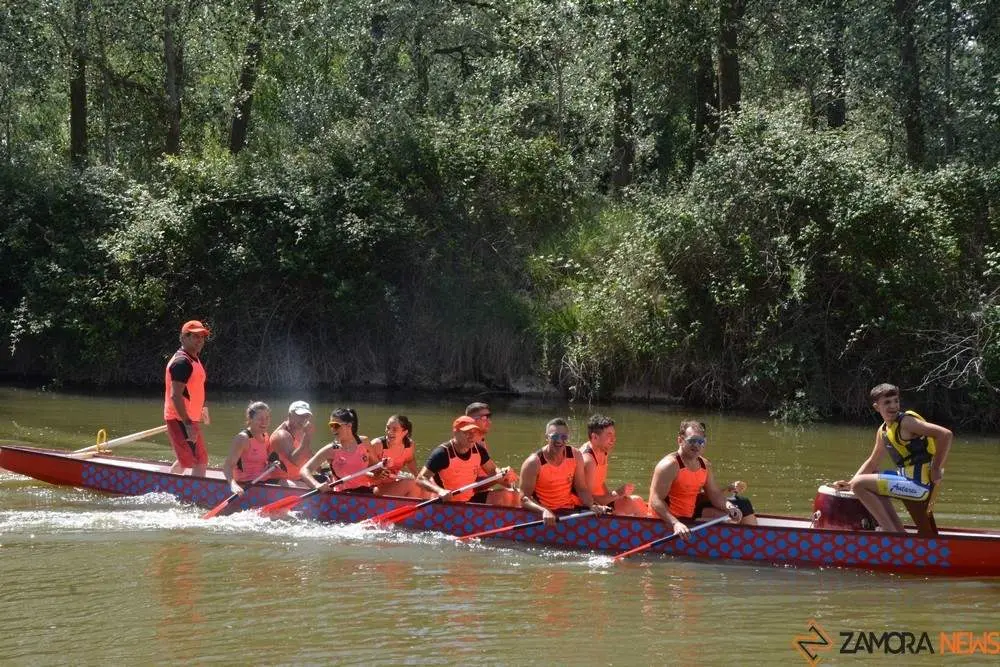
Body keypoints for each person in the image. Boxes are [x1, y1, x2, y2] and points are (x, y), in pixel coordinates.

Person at [834, 383, 953, 533]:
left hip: (918, 485)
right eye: (887, 402)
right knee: (865, 480)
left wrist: (936, 468)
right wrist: (850, 483)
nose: (893, 406)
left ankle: (890, 533)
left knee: (860, 484)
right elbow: (873, 460)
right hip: (907, 481)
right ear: (877, 407)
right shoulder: (883, 430)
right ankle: (897, 532)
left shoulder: (907, 422)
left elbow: (945, 435)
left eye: (896, 401)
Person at [648, 420, 755, 538]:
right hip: (671, 519)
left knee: (739, 508)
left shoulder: (705, 465)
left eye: (701, 441)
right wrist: (675, 523)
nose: (697, 445)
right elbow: (655, 500)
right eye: (692, 440)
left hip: (691, 512)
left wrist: (730, 507)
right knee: (728, 521)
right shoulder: (669, 466)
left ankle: (754, 542)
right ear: (680, 440)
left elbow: (714, 494)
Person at [519, 418, 610, 526]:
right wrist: (544, 511)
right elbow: (523, 499)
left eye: (564, 437)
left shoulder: (575, 455)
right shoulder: (533, 463)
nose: (559, 441)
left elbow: (581, 488)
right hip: (546, 513)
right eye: (555, 436)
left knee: (607, 514)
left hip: (569, 510)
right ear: (547, 437)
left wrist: (592, 505)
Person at [415, 416, 519, 506]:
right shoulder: (442, 453)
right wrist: (440, 491)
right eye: (467, 432)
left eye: (474, 432)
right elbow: (420, 479)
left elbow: (493, 471)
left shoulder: (479, 450)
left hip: (471, 498)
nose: (472, 436)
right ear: (455, 432)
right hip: (447, 502)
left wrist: (504, 473)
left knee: (508, 495)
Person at [164, 320, 212, 476]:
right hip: (180, 419)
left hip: (189, 418)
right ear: (183, 338)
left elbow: (194, 388)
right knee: (200, 460)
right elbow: (175, 396)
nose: (200, 340)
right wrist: (188, 424)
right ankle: (196, 498)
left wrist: (201, 410)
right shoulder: (181, 362)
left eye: (202, 337)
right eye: (195, 336)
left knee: (190, 459)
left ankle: (167, 485)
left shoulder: (193, 359)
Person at [579, 414, 650, 517]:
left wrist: (615, 498)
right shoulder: (588, 460)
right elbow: (586, 500)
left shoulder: (602, 448)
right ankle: (650, 530)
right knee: (623, 513)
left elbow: (600, 483)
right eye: (609, 435)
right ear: (594, 437)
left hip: (602, 501)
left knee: (637, 501)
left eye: (613, 435)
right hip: (589, 508)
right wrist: (617, 494)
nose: (613, 439)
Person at [301, 408, 384, 493]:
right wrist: (316, 485)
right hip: (342, 495)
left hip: (366, 491)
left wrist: (382, 469)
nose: (333, 429)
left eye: (336, 425)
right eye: (331, 425)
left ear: (349, 425)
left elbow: (376, 466)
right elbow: (305, 470)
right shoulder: (332, 449)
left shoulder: (364, 442)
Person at [222, 401, 280, 496]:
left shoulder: (265, 435)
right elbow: (227, 466)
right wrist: (233, 485)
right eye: (260, 419)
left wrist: (270, 465)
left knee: (292, 484)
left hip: (263, 478)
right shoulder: (242, 439)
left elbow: (261, 462)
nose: (264, 422)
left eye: (267, 418)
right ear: (250, 419)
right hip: (247, 483)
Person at [371, 415, 430, 498]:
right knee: (411, 483)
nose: (389, 432)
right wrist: (379, 473)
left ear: (404, 432)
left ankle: (415, 509)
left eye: (394, 429)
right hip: (374, 488)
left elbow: (414, 470)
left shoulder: (409, 445)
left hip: (392, 484)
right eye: (388, 428)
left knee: (423, 485)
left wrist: (424, 482)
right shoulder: (377, 445)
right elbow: (364, 471)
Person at [269, 400, 315, 484]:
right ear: (290, 415)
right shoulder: (282, 434)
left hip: (297, 478)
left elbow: (308, 454)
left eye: (306, 416)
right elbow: (295, 461)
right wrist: (307, 436)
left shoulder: (300, 432)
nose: (304, 419)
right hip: (280, 481)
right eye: (300, 415)